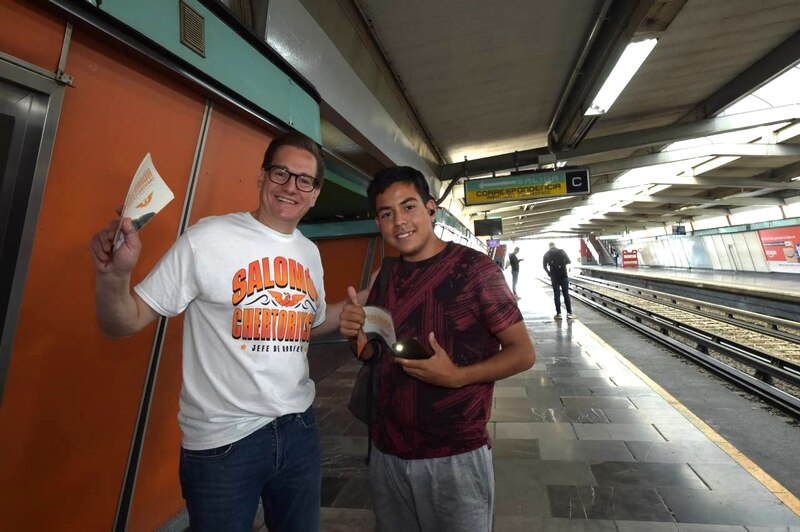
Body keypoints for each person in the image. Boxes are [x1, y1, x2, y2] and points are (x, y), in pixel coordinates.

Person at [90, 131, 341, 532]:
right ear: (262, 177)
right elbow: (122, 322)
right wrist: (113, 277)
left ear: (314, 194)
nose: (290, 186)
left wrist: (364, 303)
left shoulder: (310, 253)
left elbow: (310, 325)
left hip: (299, 430)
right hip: (224, 443)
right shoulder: (207, 239)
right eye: (281, 173)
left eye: (304, 180)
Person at [337, 166, 536, 532]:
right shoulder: (386, 274)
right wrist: (357, 336)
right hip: (387, 450)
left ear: (431, 209)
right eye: (386, 213)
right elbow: (376, 355)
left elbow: (523, 352)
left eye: (409, 206)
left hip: (454, 455)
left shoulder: (476, 270)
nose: (399, 221)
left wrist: (458, 377)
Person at [543, 241, 573, 319]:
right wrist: (562, 264)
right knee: (566, 294)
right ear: (555, 246)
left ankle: (558, 313)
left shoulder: (546, 254)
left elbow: (544, 266)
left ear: (549, 247)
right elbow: (569, 261)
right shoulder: (562, 251)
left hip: (554, 277)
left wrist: (549, 273)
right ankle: (569, 313)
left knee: (557, 295)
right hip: (563, 275)